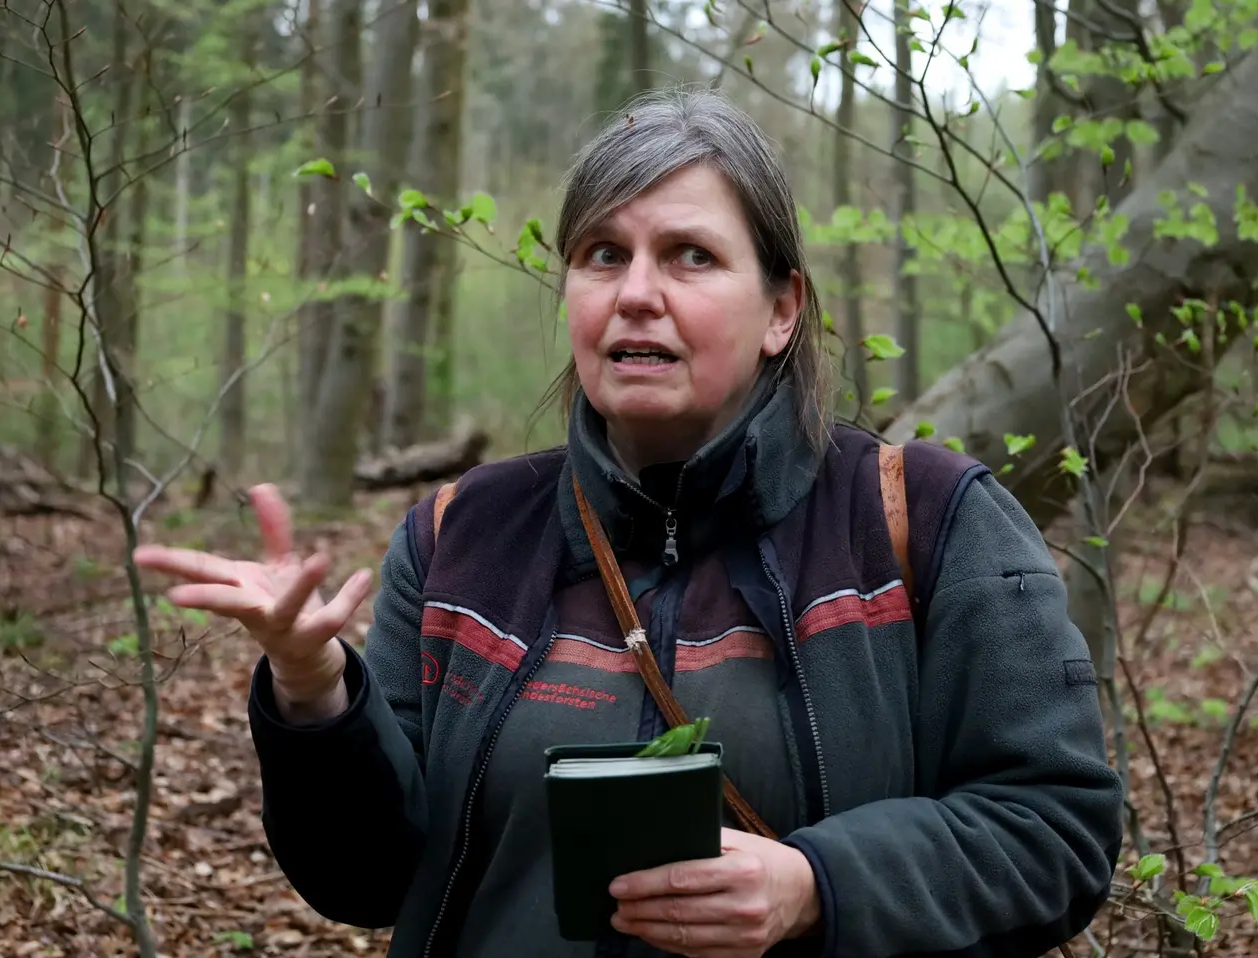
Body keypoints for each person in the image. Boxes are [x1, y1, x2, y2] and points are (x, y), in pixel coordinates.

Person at [134, 88, 1124, 958]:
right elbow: (367, 880)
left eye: (690, 255)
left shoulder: (929, 523)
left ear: (782, 309)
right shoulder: (460, 535)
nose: (637, 292)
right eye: (604, 254)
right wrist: (313, 693)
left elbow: (1059, 831)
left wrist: (820, 887)